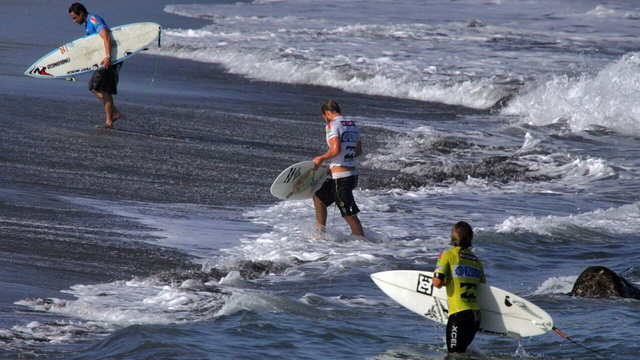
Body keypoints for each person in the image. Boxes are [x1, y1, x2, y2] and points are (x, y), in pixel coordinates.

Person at [312, 100, 364, 237]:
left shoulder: (332, 125)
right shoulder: (352, 124)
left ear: (327, 113)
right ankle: (320, 233)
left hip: (341, 179)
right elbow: (358, 151)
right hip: (350, 175)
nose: (324, 119)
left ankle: (363, 243)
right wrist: (336, 163)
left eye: (324, 116)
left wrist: (321, 158)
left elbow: (335, 150)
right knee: (319, 198)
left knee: (348, 214)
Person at [433, 221, 485, 353]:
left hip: (459, 315)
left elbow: (437, 283)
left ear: (454, 237)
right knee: (462, 352)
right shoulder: (476, 260)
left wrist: (445, 279)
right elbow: (481, 287)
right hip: (476, 316)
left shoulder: (448, 255)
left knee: (454, 355)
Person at [69, 3, 123, 128]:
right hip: (104, 58)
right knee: (95, 87)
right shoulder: (87, 24)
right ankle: (113, 113)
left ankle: (110, 119)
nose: (74, 21)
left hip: (111, 59)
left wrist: (108, 57)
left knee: (101, 88)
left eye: (74, 18)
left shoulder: (94, 20)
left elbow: (106, 37)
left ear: (81, 13)